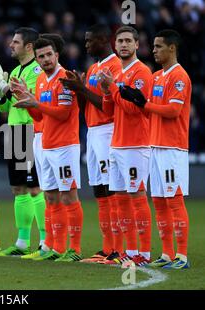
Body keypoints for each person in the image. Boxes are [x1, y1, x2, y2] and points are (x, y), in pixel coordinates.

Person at [119, 29, 191, 269]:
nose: (154, 50)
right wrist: (137, 100)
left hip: (173, 146)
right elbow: (147, 106)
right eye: (154, 46)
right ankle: (168, 254)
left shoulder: (179, 77)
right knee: (159, 201)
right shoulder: (158, 76)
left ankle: (182, 256)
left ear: (172, 48)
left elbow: (174, 111)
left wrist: (145, 103)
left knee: (174, 200)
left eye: (159, 46)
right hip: (155, 145)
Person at [12, 38, 84, 262]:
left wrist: (36, 104)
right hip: (46, 145)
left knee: (68, 195)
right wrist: (27, 100)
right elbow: (40, 116)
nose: (45, 60)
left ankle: (75, 249)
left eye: (48, 55)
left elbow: (63, 114)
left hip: (65, 146)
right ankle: (53, 247)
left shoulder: (65, 80)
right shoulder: (42, 80)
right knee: (51, 196)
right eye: (41, 56)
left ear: (57, 55)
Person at [60, 24, 123, 263]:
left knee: (111, 189)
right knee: (99, 190)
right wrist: (78, 90)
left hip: (109, 130)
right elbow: (87, 105)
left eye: (89, 40)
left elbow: (108, 105)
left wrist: (82, 89)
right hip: (93, 132)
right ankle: (107, 249)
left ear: (103, 40)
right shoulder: (95, 67)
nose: (86, 45)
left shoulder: (115, 66)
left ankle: (118, 249)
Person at [0, 27, 46, 257]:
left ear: (29, 46)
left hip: (30, 130)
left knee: (35, 187)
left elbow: (26, 99)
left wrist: (2, 84)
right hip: (14, 131)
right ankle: (22, 242)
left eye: (15, 42)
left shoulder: (36, 70)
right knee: (18, 188)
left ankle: (45, 243)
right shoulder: (17, 69)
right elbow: (6, 108)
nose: (11, 45)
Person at [97, 26, 153, 266]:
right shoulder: (118, 73)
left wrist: (112, 88)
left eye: (128, 41)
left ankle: (145, 254)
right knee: (120, 198)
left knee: (137, 195)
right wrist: (106, 91)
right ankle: (129, 251)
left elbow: (133, 108)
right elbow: (109, 110)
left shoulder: (142, 73)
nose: (123, 45)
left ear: (137, 45)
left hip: (135, 144)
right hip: (117, 144)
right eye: (119, 41)